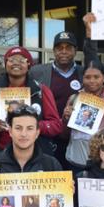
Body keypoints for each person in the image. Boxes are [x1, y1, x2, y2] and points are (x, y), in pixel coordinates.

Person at [0, 46, 63, 155]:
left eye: (21, 60)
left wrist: (35, 125)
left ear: (28, 65)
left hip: (35, 154)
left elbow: (56, 126)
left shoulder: (41, 91)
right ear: (5, 64)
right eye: (11, 60)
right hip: (2, 153)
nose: (16, 63)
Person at [61, 61, 104, 175]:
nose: (92, 81)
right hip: (75, 161)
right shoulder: (74, 98)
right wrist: (65, 118)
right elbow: (64, 134)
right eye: (87, 77)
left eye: (96, 77)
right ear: (82, 78)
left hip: (102, 163)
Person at [30, 31, 84, 165]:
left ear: (75, 51)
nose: (64, 52)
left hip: (76, 137)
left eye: (68, 48)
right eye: (60, 48)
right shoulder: (37, 72)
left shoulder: (84, 73)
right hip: (47, 137)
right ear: (54, 51)